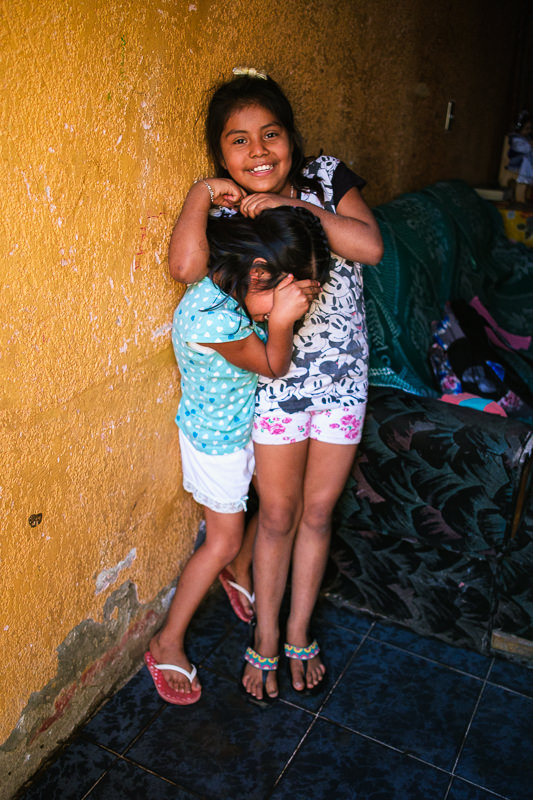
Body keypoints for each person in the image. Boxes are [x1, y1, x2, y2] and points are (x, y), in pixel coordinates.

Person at [168, 67, 383, 705]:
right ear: (221, 153)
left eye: (271, 134)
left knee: (319, 513)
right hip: (274, 378)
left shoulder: (325, 178)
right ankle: (262, 638)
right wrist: (201, 194)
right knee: (280, 514)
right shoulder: (227, 206)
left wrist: (292, 204)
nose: (258, 151)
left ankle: (297, 634)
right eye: (239, 141)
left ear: (292, 137)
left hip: (341, 377)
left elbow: (368, 246)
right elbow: (185, 268)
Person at [145, 206, 328, 704]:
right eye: (281, 298)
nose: (283, 310)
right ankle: (167, 639)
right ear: (255, 272)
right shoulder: (215, 321)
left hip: (238, 426)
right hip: (217, 445)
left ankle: (239, 569)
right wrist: (284, 321)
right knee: (221, 541)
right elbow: (272, 363)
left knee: (271, 506)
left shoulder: (225, 286)